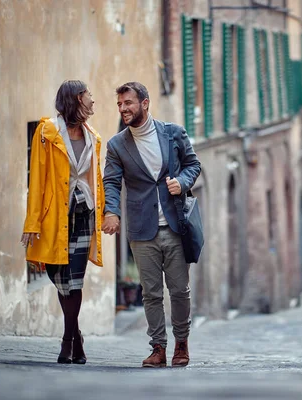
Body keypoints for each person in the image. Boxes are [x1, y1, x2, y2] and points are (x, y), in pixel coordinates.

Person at [102, 82, 201, 368]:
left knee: (180, 290)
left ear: (145, 103)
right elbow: (110, 181)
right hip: (141, 229)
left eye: (128, 103)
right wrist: (111, 211)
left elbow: (193, 165)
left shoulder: (173, 133)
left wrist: (181, 183)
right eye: (120, 104)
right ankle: (158, 347)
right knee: (151, 292)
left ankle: (181, 342)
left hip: (173, 225)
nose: (123, 109)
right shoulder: (117, 145)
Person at [21, 80, 104, 364]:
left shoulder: (93, 136)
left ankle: (67, 340)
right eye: (89, 96)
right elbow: (37, 180)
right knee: (59, 278)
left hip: (84, 215)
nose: (93, 100)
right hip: (55, 216)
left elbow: (97, 179)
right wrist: (32, 224)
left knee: (75, 281)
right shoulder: (47, 132)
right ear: (76, 99)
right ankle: (77, 336)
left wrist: (104, 213)